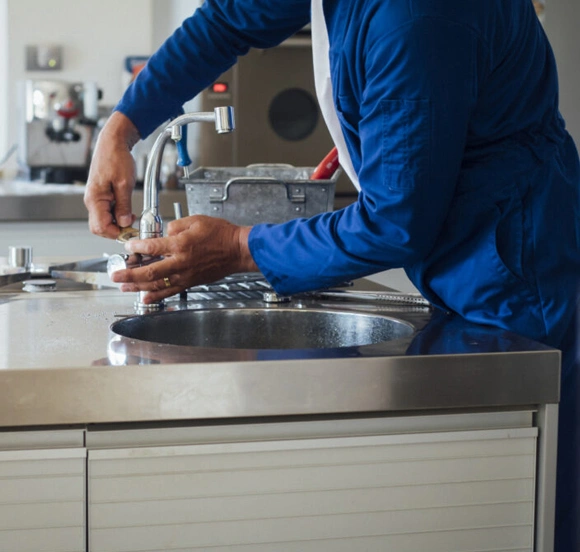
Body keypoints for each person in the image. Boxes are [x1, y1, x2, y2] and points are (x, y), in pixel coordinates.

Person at [84, 1, 580, 549]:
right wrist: (120, 127)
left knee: (532, 505)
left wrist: (237, 246)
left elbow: (395, 222)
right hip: (468, 260)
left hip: (519, 273)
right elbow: (228, 19)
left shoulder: (415, 16)